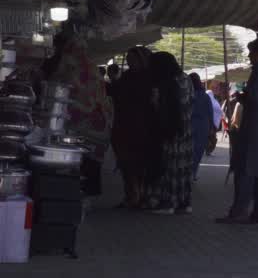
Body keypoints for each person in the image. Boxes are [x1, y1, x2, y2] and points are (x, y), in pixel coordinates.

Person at [218, 36, 258, 224]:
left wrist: (241, 97)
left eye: (251, 52)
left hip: (254, 129)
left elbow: (254, 98)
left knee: (245, 170)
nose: (249, 56)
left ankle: (239, 211)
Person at [46, 27, 113, 200]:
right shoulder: (90, 67)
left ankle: (79, 193)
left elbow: (59, 86)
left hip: (80, 122)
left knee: (77, 158)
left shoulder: (72, 67)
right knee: (90, 159)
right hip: (98, 121)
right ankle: (86, 194)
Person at [145, 52, 193, 214]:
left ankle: (168, 203)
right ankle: (184, 203)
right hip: (186, 131)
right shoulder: (186, 79)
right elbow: (191, 101)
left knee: (169, 167)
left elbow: (159, 107)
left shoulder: (165, 82)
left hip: (170, 131)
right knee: (183, 168)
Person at [111, 47, 156, 209]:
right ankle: (131, 195)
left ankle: (141, 196)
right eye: (129, 59)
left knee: (141, 164)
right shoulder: (127, 76)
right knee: (126, 163)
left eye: (133, 59)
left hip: (143, 126)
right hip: (124, 125)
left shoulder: (150, 78)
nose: (130, 62)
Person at [189, 73, 215, 182]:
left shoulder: (189, 95)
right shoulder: (205, 96)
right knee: (198, 151)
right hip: (202, 126)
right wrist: (211, 128)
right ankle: (193, 172)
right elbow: (210, 113)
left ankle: (188, 172)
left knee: (189, 150)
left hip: (190, 125)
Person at [206, 84, 224, 157]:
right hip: (212, 122)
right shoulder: (212, 101)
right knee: (212, 137)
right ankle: (208, 150)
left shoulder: (212, 101)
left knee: (211, 137)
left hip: (211, 122)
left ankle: (208, 150)